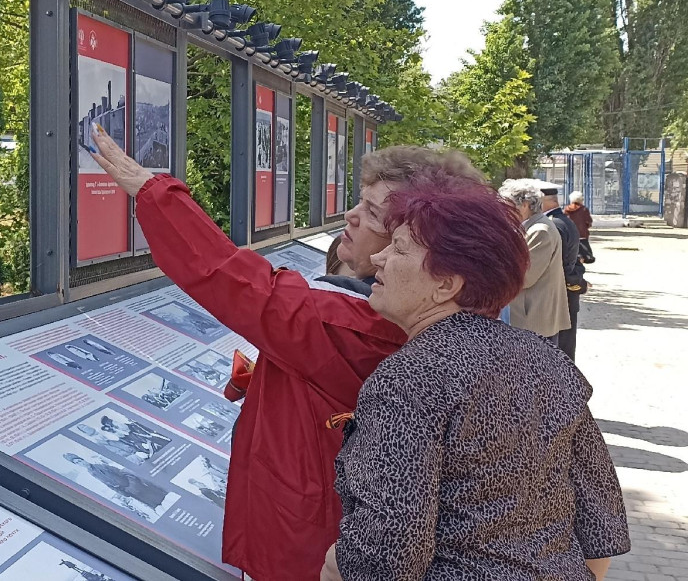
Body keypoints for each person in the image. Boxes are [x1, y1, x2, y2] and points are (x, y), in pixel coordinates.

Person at [88, 127, 483, 581]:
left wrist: (152, 191)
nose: (351, 216)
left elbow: (233, 279)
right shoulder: (445, 325)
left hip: (302, 546)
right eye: (360, 202)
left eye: (374, 214)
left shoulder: (360, 327)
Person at [321, 176, 629, 580]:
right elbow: (601, 527)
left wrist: (334, 563)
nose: (379, 258)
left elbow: (385, 559)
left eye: (399, 248)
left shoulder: (409, 379)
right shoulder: (548, 361)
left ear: (446, 284)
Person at [499, 179, 570, 343]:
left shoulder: (540, 231)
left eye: (507, 206)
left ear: (524, 205)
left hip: (533, 318)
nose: (504, 212)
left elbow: (525, 277)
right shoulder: (531, 227)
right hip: (529, 317)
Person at [539, 182, 587, 360]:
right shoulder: (562, 221)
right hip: (567, 293)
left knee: (559, 353)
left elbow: (559, 264)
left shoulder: (553, 225)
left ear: (544, 200)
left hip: (561, 294)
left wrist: (577, 281)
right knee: (564, 350)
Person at [566, 190, 596, 263]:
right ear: (580, 200)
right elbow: (588, 221)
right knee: (586, 253)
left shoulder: (567, 209)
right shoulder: (584, 209)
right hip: (582, 234)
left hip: (571, 234)